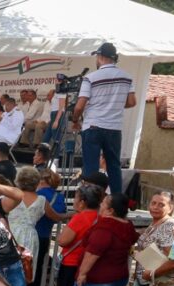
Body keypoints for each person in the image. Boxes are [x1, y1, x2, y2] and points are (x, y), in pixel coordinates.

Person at [0, 167, 65, 286]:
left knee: (4, 273)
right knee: (26, 277)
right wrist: (74, 214)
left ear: (18, 181)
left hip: (9, 234)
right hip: (31, 237)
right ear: (36, 181)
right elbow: (57, 217)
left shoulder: (7, 198)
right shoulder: (42, 200)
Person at [73, 42, 136, 194]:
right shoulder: (127, 77)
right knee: (114, 166)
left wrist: (75, 120)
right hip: (114, 127)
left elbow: (80, 106)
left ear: (100, 57)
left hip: (93, 125)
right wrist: (114, 105)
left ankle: (89, 201)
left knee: (91, 166)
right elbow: (132, 102)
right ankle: (115, 201)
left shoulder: (90, 78)